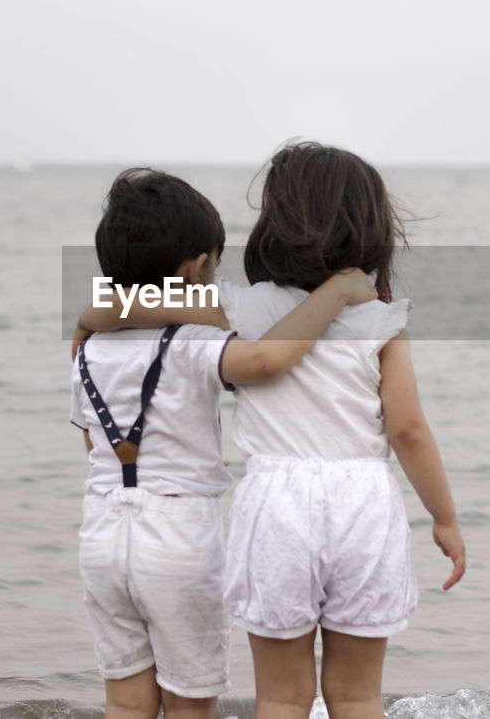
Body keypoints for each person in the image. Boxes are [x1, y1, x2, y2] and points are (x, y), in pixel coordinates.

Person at [78, 142, 467, 719]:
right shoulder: (383, 320)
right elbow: (408, 429)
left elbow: (119, 305)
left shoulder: (236, 307)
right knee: (358, 695)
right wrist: (445, 517)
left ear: (272, 229)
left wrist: (88, 320)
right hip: (363, 503)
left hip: (276, 505)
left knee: (282, 696)